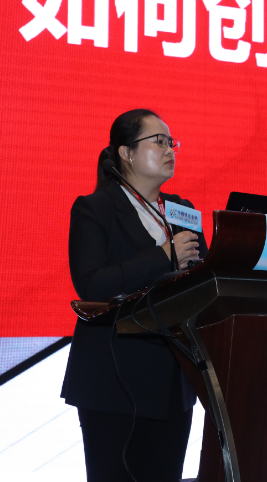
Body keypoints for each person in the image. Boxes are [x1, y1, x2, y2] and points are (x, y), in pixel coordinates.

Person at [61, 109, 207, 481]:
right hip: (112, 379)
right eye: (158, 142)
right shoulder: (95, 208)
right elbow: (92, 284)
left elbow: (203, 282)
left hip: (173, 378)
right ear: (126, 153)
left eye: (171, 142)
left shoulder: (182, 210)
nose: (169, 150)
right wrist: (163, 256)